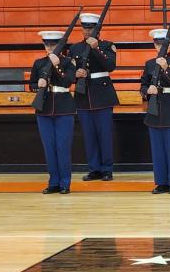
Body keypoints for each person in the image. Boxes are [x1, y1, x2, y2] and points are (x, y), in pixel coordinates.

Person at [70, 12, 119, 182]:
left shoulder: (107, 45)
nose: (87, 31)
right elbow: (69, 72)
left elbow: (110, 66)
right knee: (89, 135)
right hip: (83, 94)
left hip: (102, 93)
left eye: (91, 28)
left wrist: (96, 48)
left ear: (98, 29)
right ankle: (94, 169)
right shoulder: (75, 48)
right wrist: (76, 73)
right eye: (85, 28)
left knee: (104, 134)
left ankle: (107, 169)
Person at [140, 28, 170, 194]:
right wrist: (147, 91)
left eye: (164, 44)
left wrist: (166, 68)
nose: (161, 46)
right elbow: (143, 85)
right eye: (158, 43)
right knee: (157, 150)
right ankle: (160, 182)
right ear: (154, 44)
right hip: (154, 109)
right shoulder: (149, 64)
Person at [29, 31, 78, 194]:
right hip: (44, 108)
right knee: (49, 148)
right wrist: (38, 84)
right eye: (47, 44)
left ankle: (65, 183)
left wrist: (56, 65)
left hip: (64, 108)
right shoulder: (39, 63)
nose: (50, 47)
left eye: (53, 45)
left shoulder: (68, 62)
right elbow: (32, 85)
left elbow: (68, 81)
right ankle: (53, 182)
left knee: (63, 147)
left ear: (60, 46)